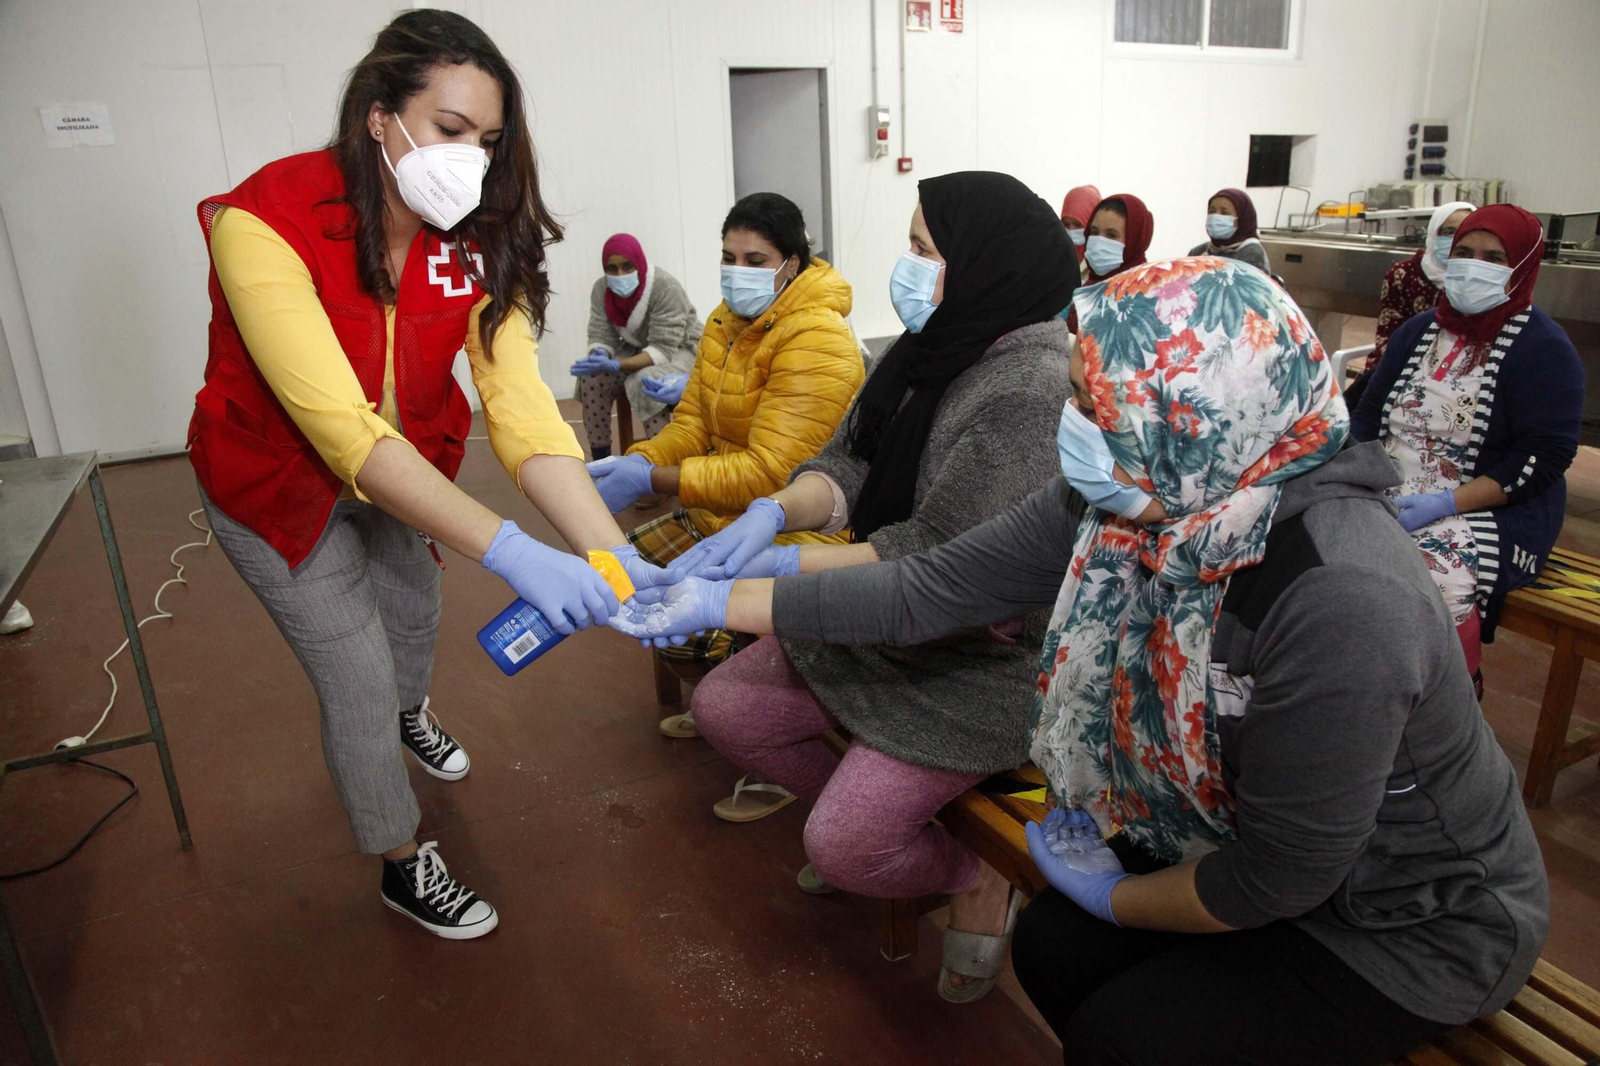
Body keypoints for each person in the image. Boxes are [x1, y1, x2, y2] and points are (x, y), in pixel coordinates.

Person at [613, 256, 1548, 1062]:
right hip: (1239, 845)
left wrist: (1120, 894)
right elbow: (926, 588)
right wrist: (714, 600)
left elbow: (1283, 876)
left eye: (1095, 403)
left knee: (1131, 1037)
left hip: (1405, 919)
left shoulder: (1341, 597)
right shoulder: (1132, 496)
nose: (1073, 425)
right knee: (1055, 950)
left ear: (1190, 409)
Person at [187, 10, 670, 940]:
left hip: (410, 469)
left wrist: (613, 555)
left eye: (488, 142)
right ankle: (402, 861)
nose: (472, 160)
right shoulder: (265, 224)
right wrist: (518, 552)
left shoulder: (474, 235)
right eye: (450, 131)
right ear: (379, 115)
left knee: (412, 615)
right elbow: (343, 436)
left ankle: (412, 714)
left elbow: (522, 406)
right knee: (358, 675)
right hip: (276, 485)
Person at [661, 171, 1076, 1002]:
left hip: (972, 659)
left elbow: (933, 568)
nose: (907, 266)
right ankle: (903, 842)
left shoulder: (1025, 389)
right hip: (884, 613)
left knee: (845, 846)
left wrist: (765, 573)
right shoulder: (929, 347)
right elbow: (851, 459)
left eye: (925, 249)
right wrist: (772, 515)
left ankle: (973, 877)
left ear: (985, 264)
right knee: (727, 708)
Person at [586, 192, 864, 690]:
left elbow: (770, 474)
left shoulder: (817, 337)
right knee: (614, 577)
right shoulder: (724, 321)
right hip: (721, 512)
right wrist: (640, 460)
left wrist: (653, 478)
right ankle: (725, 695)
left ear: (791, 264)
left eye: (755, 261)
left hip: (781, 526)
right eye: (728, 258)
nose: (738, 272)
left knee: (692, 636)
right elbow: (692, 421)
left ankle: (740, 700)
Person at [1353, 203, 1583, 695]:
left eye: (1494, 257)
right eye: (1464, 252)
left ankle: (1447, 702)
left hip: (1483, 505)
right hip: (1387, 487)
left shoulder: (1543, 347)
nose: (1474, 265)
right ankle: (1349, 688)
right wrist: (1355, 478)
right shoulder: (1417, 333)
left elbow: (1545, 455)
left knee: (1424, 573)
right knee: (1320, 552)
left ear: (1521, 267)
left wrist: (1445, 503)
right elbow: (1367, 415)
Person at [570, 233, 701, 462]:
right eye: (612, 268)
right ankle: (602, 462)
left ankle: (662, 462)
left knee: (646, 381)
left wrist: (618, 364)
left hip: (681, 347)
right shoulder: (602, 289)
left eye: (627, 266)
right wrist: (599, 355)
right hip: (637, 348)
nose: (620, 274)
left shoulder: (665, 286)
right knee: (593, 377)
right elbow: (601, 332)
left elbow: (663, 347)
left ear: (639, 263)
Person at [1343, 200, 1475, 410]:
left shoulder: (1477, 281)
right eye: (1447, 231)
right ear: (1433, 233)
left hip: (1458, 375)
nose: (1454, 239)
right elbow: (1389, 336)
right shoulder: (1403, 274)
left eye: (1463, 231)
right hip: (1399, 365)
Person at [1065, 193, 1152, 331]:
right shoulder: (1086, 290)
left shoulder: (1148, 296)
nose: (1099, 241)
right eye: (1094, 232)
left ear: (1135, 240)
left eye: (1111, 235)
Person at [1186, 187, 1270, 274]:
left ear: (1242, 219)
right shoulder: (1198, 252)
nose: (1215, 216)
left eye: (1224, 213)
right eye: (1212, 211)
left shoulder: (1252, 253)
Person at [1060, 183, 1101, 283]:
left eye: (1078, 224)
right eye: (1066, 224)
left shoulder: (1105, 257)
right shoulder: (1059, 253)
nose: (1072, 230)